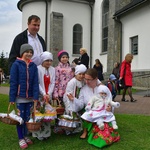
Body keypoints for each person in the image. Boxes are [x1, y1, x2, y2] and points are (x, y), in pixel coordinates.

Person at [68, 68, 119, 148]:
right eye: (85, 79)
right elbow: (81, 104)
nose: (87, 82)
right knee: (86, 112)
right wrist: (73, 99)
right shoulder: (84, 89)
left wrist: (110, 108)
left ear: (96, 79)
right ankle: (86, 130)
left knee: (104, 133)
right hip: (90, 116)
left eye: (89, 80)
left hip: (102, 115)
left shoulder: (103, 89)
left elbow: (109, 101)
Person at [9, 44, 39, 149]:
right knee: (20, 118)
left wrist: (36, 96)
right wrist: (12, 98)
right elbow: (13, 82)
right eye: (27, 52)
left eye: (31, 52)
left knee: (27, 118)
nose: (29, 54)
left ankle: (26, 135)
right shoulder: (16, 65)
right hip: (20, 96)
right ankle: (21, 138)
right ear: (22, 53)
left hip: (30, 97)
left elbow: (36, 82)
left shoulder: (33, 66)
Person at [32, 51, 56, 140]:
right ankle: (38, 133)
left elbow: (53, 82)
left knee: (47, 114)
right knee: (39, 114)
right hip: (39, 95)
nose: (49, 63)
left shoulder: (53, 70)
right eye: (47, 61)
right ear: (42, 61)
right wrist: (43, 93)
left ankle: (46, 133)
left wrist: (49, 93)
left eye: (50, 61)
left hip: (47, 96)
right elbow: (37, 83)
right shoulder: (38, 69)